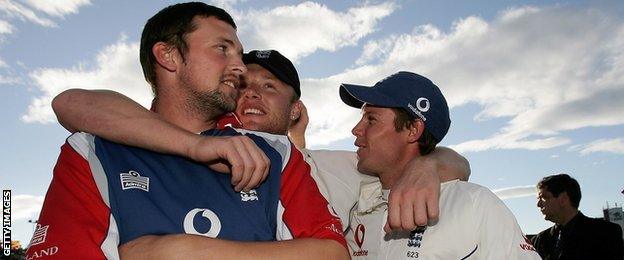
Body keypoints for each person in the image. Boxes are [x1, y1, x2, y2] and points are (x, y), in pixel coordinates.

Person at [26, 3, 348, 259]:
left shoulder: (274, 152)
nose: (238, 66)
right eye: (223, 49)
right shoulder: (92, 151)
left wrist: (183, 251)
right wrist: (194, 146)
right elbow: (69, 102)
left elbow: (332, 252)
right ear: (168, 56)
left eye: (238, 53)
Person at [340, 71, 540, 259]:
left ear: (413, 130)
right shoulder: (352, 207)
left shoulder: (474, 203)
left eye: (371, 119)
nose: (356, 129)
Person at [532, 174, 624, 260]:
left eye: (544, 197)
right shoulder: (539, 241)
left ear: (563, 198)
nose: (538, 204)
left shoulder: (605, 232)